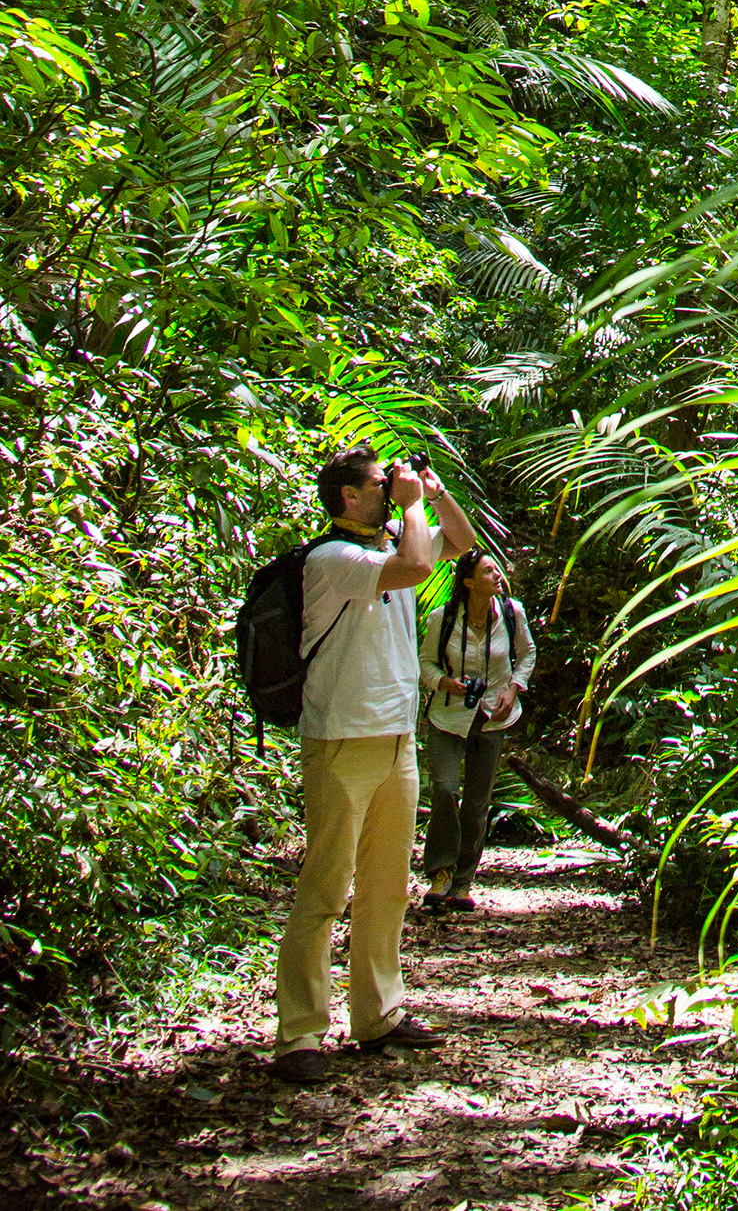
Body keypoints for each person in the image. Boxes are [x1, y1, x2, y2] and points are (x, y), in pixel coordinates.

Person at [270, 445, 475, 1085]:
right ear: (348, 498)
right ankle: (300, 1034)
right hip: (340, 738)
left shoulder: (386, 544)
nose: (391, 491)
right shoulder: (334, 559)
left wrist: (434, 497)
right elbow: (415, 566)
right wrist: (411, 508)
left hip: (395, 738)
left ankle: (378, 1016)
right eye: (379, 485)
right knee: (326, 888)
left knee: (387, 888)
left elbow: (460, 543)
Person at [418, 550, 535, 913]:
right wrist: (447, 684)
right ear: (468, 582)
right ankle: (440, 871)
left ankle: (463, 883)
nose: (497, 574)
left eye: (496, 569)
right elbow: (424, 663)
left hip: (492, 718)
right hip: (448, 716)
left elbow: (527, 653)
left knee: (477, 802)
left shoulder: (512, 613)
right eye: (488, 571)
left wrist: (513, 688)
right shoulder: (444, 618)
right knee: (445, 789)